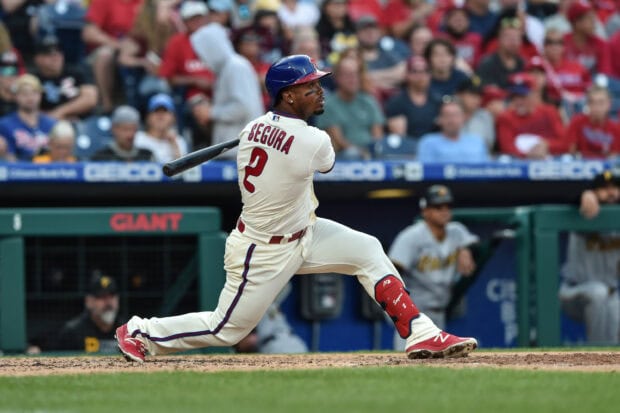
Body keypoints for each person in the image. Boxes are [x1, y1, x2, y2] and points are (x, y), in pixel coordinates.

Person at [115, 54, 478, 363]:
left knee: (368, 249)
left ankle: (420, 332)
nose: (320, 92)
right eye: (310, 87)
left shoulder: (253, 128)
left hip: (306, 230)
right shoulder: (314, 140)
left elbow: (274, 139)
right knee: (226, 329)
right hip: (263, 248)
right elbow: (324, 162)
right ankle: (141, 331)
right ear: (288, 96)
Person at [388, 185, 479, 350]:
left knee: (437, 361)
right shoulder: (411, 236)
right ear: (425, 211)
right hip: (415, 313)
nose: (444, 211)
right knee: (408, 359)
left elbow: (473, 243)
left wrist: (466, 249)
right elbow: (392, 272)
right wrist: (399, 308)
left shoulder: (456, 231)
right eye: (438, 207)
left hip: (440, 310)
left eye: (448, 206)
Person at [560, 169, 620, 345]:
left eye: (616, 187)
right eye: (604, 188)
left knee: (613, 302)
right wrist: (583, 196)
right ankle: (599, 356)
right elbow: (565, 199)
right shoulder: (581, 212)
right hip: (575, 292)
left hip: (611, 293)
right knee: (599, 293)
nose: (611, 192)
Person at [190, 22, 264, 159]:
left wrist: (211, 112)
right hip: (232, 152)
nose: (202, 58)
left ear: (212, 48)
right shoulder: (226, 69)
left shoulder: (235, 67)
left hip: (240, 153)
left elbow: (243, 107)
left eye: (202, 52)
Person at [158, 1, 215, 150]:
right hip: (192, 96)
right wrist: (195, 80)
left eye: (200, 18)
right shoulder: (177, 42)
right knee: (202, 110)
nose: (197, 22)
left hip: (219, 93)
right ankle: (208, 148)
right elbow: (168, 77)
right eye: (192, 19)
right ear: (184, 21)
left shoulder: (216, 40)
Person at [315, 56, 385, 160]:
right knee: (351, 153)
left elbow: (378, 135)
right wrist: (363, 154)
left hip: (370, 152)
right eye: (347, 75)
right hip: (342, 155)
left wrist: (372, 151)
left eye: (355, 74)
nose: (353, 79)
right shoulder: (328, 105)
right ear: (337, 78)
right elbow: (338, 141)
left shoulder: (369, 101)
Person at [496, 73, 567, 159]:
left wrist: (547, 145)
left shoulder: (549, 112)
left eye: (523, 96)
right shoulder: (505, 118)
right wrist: (529, 155)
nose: (518, 102)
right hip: (520, 166)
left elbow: (565, 143)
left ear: (535, 94)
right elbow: (507, 148)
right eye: (514, 97)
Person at [48, 274, 123, 353]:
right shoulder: (73, 332)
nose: (108, 302)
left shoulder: (128, 331)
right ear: (88, 301)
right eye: (102, 297)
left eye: (112, 296)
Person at [31, 35, 99, 120]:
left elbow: (90, 99)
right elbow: (25, 106)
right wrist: (54, 118)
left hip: (82, 122)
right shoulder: (33, 79)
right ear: (37, 59)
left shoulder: (77, 72)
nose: (55, 57)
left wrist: (60, 112)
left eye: (58, 52)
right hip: (47, 125)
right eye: (48, 54)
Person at [384, 56, 442, 143]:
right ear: (406, 75)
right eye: (415, 71)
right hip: (409, 151)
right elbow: (400, 138)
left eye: (425, 71)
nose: (421, 76)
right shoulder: (397, 103)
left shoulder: (437, 100)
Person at [0, 74, 57, 161]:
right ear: (16, 96)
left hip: (48, 171)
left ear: (40, 95)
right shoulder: (5, 124)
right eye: (24, 94)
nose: (30, 98)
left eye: (34, 93)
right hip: (18, 171)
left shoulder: (52, 124)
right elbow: (9, 158)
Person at [417, 98, 489, 163]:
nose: (452, 120)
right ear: (439, 119)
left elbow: (487, 171)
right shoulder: (428, 142)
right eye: (447, 115)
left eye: (456, 115)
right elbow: (426, 173)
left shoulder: (477, 142)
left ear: (464, 118)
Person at [134, 93, 188, 163]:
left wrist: (174, 144)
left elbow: (183, 171)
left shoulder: (179, 141)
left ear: (173, 118)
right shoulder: (137, 138)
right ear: (148, 117)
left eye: (165, 111)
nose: (160, 115)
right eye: (156, 111)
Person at [90, 105, 154, 162]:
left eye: (133, 129)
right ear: (114, 129)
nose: (130, 134)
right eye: (125, 129)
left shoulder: (147, 156)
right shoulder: (101, 157)